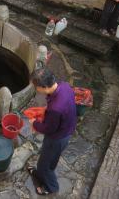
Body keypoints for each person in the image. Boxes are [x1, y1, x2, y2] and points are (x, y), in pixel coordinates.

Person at [27, 67, 76, 195]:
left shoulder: (56, 108)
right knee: (49, 159)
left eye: (36, 86)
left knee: (45, 164)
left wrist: (34, 123)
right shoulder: (64, 86)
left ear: (43, 87)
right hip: (66, 129)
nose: (36, 89)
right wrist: (47, 111)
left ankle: (51, 187)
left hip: (57, 137)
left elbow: (48, 129)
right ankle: (40, 174)